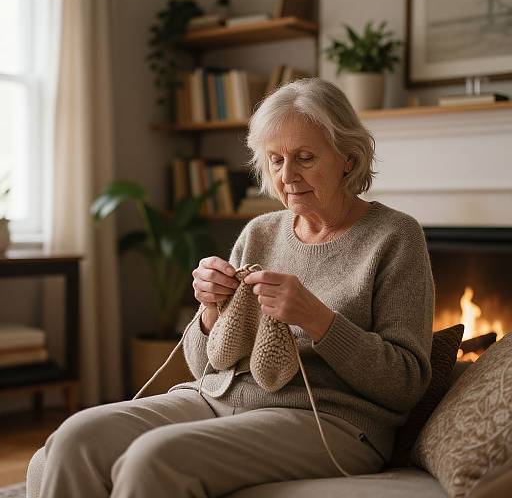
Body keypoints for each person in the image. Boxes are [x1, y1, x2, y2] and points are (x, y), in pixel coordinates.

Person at [33, 77, 434, 497]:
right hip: (218, 397)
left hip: (332, 423)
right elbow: (202, 364)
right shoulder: (260, 231)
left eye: (305, 157)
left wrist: (317, 319)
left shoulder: (395, 236)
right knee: (78, 435)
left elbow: (405, 383)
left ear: (349, 159)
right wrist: (209, 311)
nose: (287, 175)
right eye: (275, 160)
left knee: (155, 457)